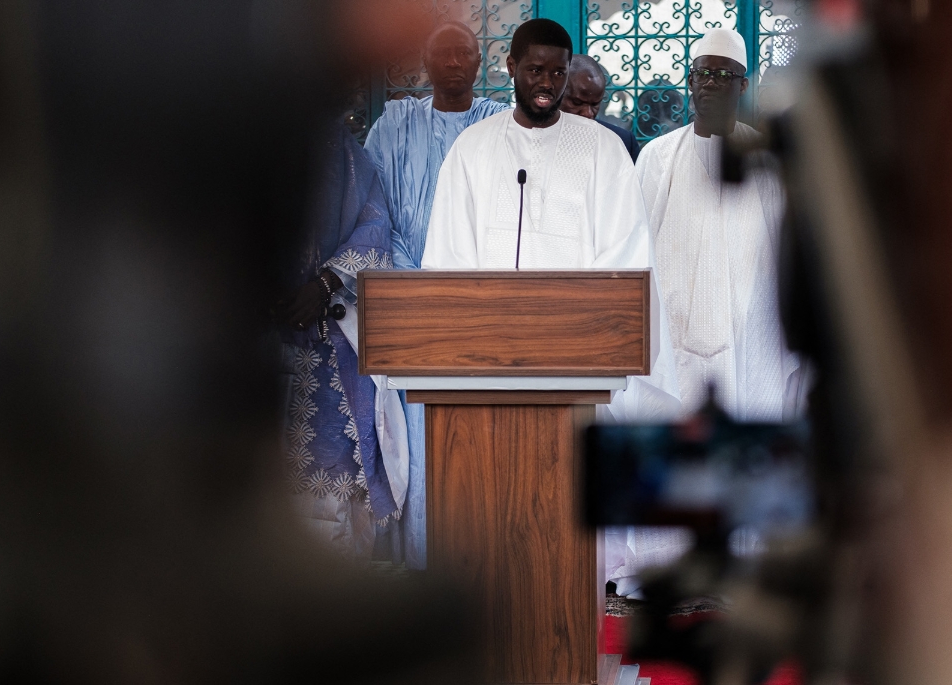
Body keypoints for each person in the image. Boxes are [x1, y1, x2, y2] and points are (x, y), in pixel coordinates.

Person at [422, 17, 681, 422]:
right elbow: (448, 256)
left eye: (558, 72)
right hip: (490, 361)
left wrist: (576, 329)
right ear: (511, 67)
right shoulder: (471, 147)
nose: (547, 84)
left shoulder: (604, 149)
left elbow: (626, 256)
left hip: (580, 361)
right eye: (535, 71)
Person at [363, 21, 508, 569]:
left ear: (479, 63)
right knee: (420, 436)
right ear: (424, 62)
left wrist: (465, 285)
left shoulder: (498, 125)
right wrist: (418, 284)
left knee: (483, 430)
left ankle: (484, 559)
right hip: (411, 304)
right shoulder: (394, 123)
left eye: (462, 53)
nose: (452, 62)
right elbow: (376, 211)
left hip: (481, 305)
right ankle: (424, 562)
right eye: (441, 53)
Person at [637, 28, 809, 422]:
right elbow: (637, 249)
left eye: (724, 75)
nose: (711, 83)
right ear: (690, 80)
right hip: (676, 334)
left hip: (752, 338)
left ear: (743, 84)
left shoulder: (764, 160)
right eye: (703, 73)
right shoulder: (657, 158)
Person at [275, 120, 408, 560]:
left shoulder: (340, 150)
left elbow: (374, 227)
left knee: (333, 475)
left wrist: (323, 286)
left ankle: (336, 608)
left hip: (331, 344)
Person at [560, 54, 640, 162]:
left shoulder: (622, 141)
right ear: (557, 95)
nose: (588, 113)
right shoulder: (534, 137)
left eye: (595, 104)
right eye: (577, 102)